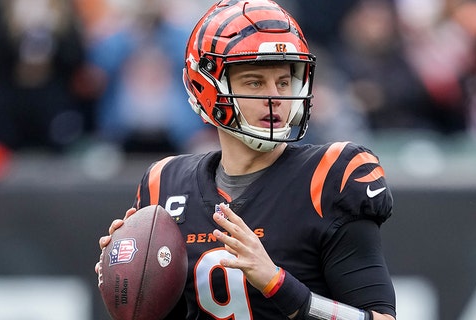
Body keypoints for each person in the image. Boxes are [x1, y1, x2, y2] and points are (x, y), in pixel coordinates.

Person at [95, 0, 396, 319]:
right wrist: (132, 286)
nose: (276, 98)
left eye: (283, 82)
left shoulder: (331, 174)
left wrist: (277, 284)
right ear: (206, 87)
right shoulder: (164, 183)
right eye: (255, 82)